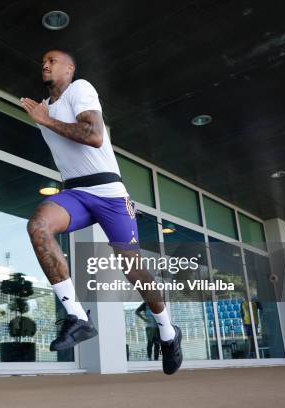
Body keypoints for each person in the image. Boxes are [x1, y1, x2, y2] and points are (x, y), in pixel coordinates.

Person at [20, 49, 182, 374]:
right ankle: (77, 317)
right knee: (38, 226)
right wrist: (45, 116)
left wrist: (46, 120)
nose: (45, 65)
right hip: (76, 193)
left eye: (52, 61)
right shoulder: (43, 108)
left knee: (133, 269)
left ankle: (167, 330)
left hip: (109, 193)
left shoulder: (80, 89)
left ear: (70, 68)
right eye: (43, 62)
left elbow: (93, 136)